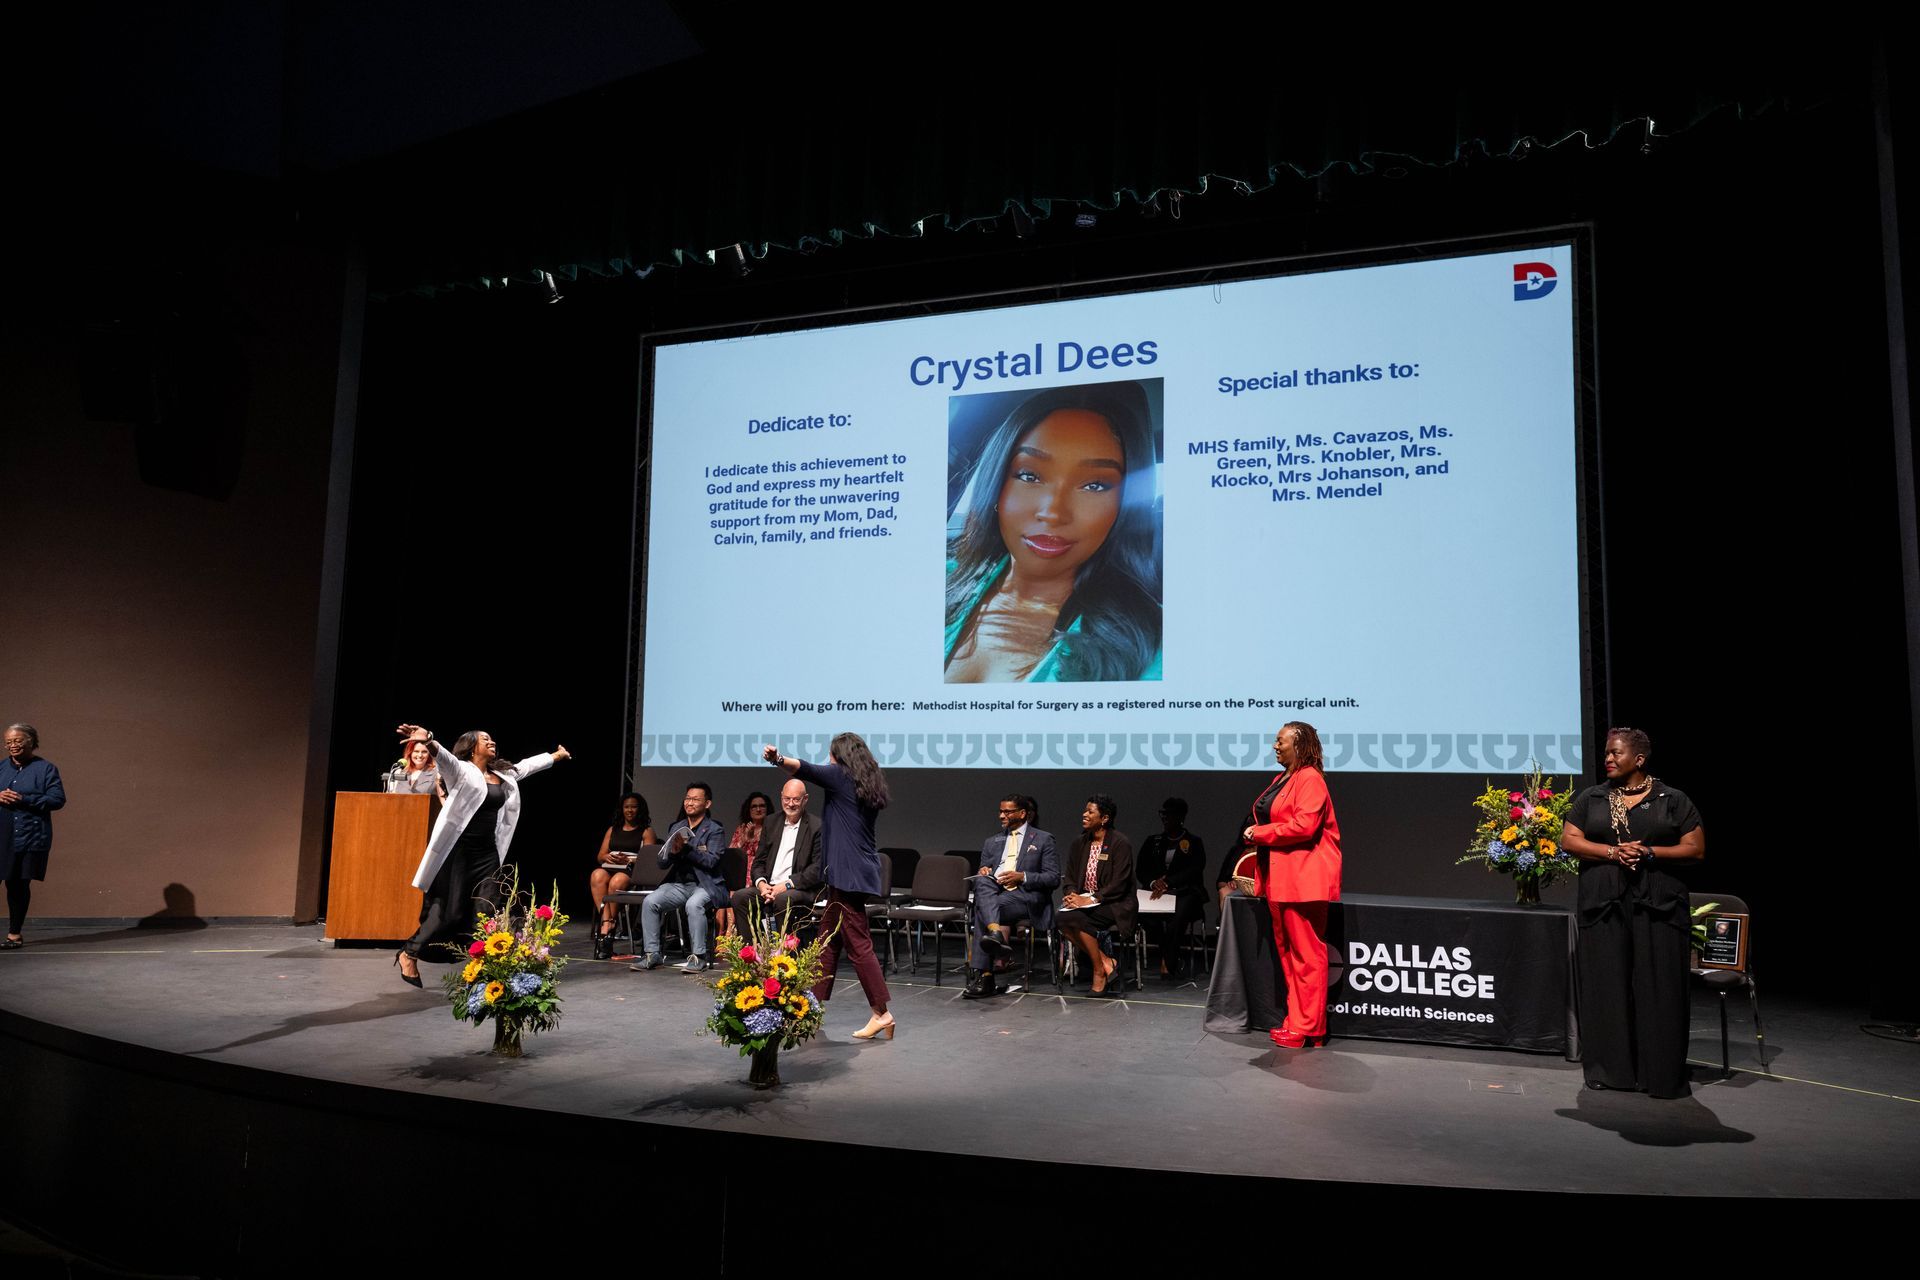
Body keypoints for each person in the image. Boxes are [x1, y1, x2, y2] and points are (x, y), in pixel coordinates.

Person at [944, 381, 1162, 684]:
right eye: (1029, 476)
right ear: (996, 486)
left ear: (1123, 507)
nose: (1053, 512)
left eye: (1095, 485)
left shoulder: (1156, 642)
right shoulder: (938, 582)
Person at [1558, 727, 1706, 1098]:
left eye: (1615, 753)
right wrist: (1611, 852)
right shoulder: (1591, 798)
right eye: (1606, 752)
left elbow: (1695, 848)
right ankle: (1611, 1072)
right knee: (1607, 985)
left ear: (1638, 759)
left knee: (1659, 987)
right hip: (1603, 903)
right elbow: (1569, 839)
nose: (1607, 758)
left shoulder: (1672, 799)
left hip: (1658, 905)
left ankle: (1659, 1076)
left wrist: (1650, 853)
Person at [394, 725, 569, 986]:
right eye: (485, 739)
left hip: (487, 853)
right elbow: (444, 757)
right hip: (458, 852)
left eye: (491, 738)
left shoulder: (502, 773)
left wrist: (555, 757)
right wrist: (428, 740)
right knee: (449, 913)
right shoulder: (460, 770)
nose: (492, 741)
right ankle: (410, 952)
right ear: (471, 746)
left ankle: (482, 970)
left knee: (487, 911)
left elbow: (525, 767)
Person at [762, 735, 895, 1040]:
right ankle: (811, 1008)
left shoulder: (840, 776)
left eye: (831, 754)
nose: (828, 759)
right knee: (827, 940)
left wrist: (778, 759)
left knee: (858, 944)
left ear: (840, 756)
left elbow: (805, 769)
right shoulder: (866, 782)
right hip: (855, 871)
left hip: (847, 874)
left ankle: (882, 1013)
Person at [1242, 722, 1342, 1049]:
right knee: (1288, 955)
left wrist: (1260, 834)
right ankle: (1295, 1020)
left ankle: (1309, 1027)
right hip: (1281, 878)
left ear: (1300, 745)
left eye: (1280, 741)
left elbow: (1304, 825)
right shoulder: (1283, 778)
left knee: (1307, 955)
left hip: (1303, 880)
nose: (1274, 746)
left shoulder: (1310, 778)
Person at [965, 793, 1060, 999]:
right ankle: (995, 933)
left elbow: (1053, 878)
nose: (1001, 815)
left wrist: (1022, 877)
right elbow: (985, 868)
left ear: (1023, 813)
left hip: (1027, 897)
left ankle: (986, 976)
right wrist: (984, 871)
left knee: (983, 908)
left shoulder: (1043, 839)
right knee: (981, 882)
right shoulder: (992, 841)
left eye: (1007, 811)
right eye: (1000, 811)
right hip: (997, 894)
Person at [633, 782, 727, 973]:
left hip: (705, 885)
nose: (689, 803)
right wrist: (673, 852)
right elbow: (662, 863)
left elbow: (711, 862)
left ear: (707, 804)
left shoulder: (714, 829)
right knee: (650, 901)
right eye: (687, 798)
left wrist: (687, 850)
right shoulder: (677, 826)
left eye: (695, 799)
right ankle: (653, 954)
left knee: (694, 905)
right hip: (679, 885)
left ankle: (698, 957)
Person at [1055, 794, 1136, 996]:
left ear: (1105, 818)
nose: (1084, 815)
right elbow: (1070, 877)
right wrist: (1072, 895)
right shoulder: (1079, 843)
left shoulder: (1119, 843)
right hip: (1084, 902)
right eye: (1085, 810)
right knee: (1061, 918)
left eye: (1090, 812)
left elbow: (1120, 883)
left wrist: (1090, 899)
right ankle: (1106, 963)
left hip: (1115, 903)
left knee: (1076, 918)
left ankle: (1099, 971)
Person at [1, 724, 66, 950]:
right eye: (8, 742)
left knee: (17, 886)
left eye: (17, 740)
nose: (12, 745)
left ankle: (14, 935)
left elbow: (57, 800)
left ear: (31, 741)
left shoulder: (46, 769)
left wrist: (24, 799)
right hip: (2, 835)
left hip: (27, 837)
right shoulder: (1, 768)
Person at [729, 778, 822, 930]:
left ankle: (782, 951)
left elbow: (817, 869)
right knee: (740, 897)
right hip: (769, 887)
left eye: (796, 799)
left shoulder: (816, 826)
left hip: (798, 888)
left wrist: (786, 885)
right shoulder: (771, 822)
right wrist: (761, 884)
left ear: (805, 799)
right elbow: (759, 862)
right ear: (781, 797)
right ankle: (750, 951)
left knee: (782, 899)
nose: (790, 804)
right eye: (787, 799)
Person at [1137, 797, 1208, 979]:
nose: (1165, 818)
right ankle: (1169, 956)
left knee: (1176, 920)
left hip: (1185, 892)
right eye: (1163, 814)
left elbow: (1195, 869)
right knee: (1144, 917)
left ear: (1181, 817)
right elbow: (1141, 869)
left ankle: (1168, 964)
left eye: (1169, 814)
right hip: (1156, 893)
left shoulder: (1194, 842)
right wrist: (1154, 882)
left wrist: (1168, 881)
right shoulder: (1153, 841)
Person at [590, 792, 656, 960]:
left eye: (634, 807)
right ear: (622, 809)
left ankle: (608, 929)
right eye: (627, 807)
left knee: (616, 881)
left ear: (640, 810)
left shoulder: (646, 831)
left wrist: (630, 859)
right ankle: (608, 922)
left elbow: (649, 859)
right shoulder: (613, 829)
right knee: (597, 875)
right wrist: (607, 857)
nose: (630, 810)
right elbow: (600, 856)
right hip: (611, 866)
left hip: (631, 869)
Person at [716, 791, 771, 939]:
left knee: (741, 888)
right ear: (749, 809)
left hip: (762, 871)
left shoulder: (772, 828)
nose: (758, 809)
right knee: (730, 889)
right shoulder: (741, 829)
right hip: (741, 869)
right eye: (754, 806)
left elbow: (765, 855)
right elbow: (734, 853)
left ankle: (736, 935)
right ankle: (728, 934)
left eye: (762, 806)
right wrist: (746, 838)